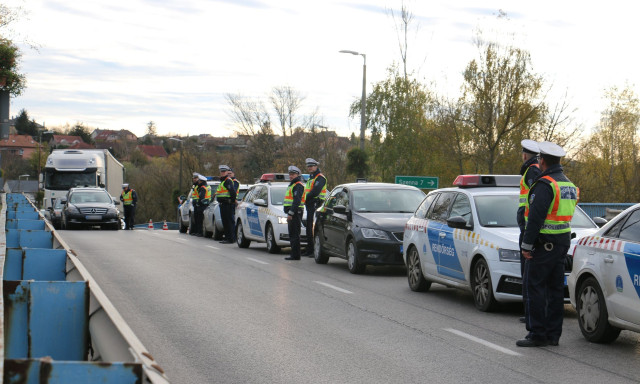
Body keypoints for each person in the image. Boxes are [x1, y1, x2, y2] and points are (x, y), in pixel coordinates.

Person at [517, 141, 578, 348]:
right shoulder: (568, 184)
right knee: (554, 290)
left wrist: (526, 245)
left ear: (542, 161)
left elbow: (534, 218)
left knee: (534, 286)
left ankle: (537, 334)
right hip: (562, 243)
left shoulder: (545, 184)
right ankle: (553, 335)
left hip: (544, 245)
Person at [517, 139, 541, 324]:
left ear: (525, 155)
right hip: (526, 226)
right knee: (527, 271)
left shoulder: (531, 170)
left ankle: (530, 314)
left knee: (527, 272)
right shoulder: (532, 169)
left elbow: (533, 200)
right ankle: (529, 312)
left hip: (527, 228)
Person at [302, 158, 327, 257]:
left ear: (316, 166)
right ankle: (309, 249)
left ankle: (313, 250)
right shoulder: (311, 178)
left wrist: (304, 198)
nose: (310, 168)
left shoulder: (320, 178)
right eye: (308, 166)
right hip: (310, 205)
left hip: (317, 205)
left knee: (313, 228)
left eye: (312, 166)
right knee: (309, 227)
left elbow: (315, 192)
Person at [284, 165, 305, 260]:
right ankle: (294, 254)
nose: (291, 176)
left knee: (294, 234)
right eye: (290, 174)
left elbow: (296, 201)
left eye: (293, 174)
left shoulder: (298, 185)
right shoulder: (293, 185)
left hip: (295, 213)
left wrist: (291, 213)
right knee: (292, 234)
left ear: (297, 174)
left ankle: (295, 255)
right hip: (294, 212)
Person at [216, 165, 237, 244]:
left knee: (229, 222)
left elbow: (233, 193)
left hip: (227, 204)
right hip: (223, 204)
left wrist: (231, 201)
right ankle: (227, 237)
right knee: (225, 222)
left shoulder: (227, 181)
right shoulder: (223, 181)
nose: (222, 173)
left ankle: (231, 238)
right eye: (221, 172)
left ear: (227, 172)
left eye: (224, 172)